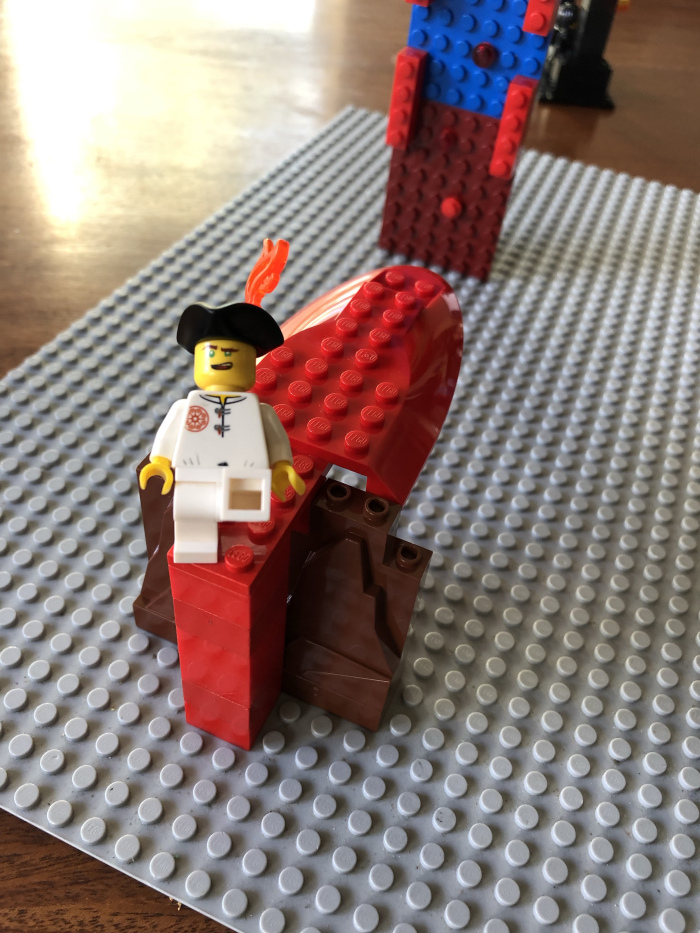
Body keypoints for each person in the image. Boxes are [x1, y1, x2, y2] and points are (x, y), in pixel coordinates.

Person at [140, 240, 305, 562]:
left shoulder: (259, 411)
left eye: (230, 353)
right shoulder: (187, 406)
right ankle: (197, 550)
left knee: (250, 523)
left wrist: (282, 466)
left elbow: (275, 440)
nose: (220, 358)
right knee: (192, 515)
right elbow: (170, 433)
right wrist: (160, 461)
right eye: (212, 352)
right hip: (196, 472)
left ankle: (247, 552)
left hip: (246, 477)